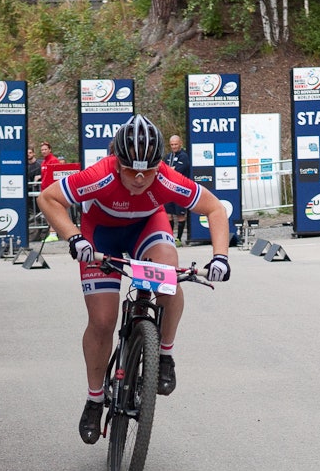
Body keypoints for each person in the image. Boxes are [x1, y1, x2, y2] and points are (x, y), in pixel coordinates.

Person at [37, 113, 230, 444]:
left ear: (158, 165)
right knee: (102, 320)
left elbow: (215, 208)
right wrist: (73, 237)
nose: (140, 178)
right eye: (131, 170)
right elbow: (48, 198)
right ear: (117, 162)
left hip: (146, 228)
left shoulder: (166, 177)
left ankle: (164, 355)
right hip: (101, 236)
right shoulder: (99, 174)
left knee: (169, 279)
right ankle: (95, 399)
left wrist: (221, 256)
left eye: (148, 171)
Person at [164, 134, 191, 245]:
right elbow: (164, 170)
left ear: (180, 144)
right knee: (168, 214)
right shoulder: (167, 156)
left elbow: (178, 171)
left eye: (175, 144)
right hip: (168, 190)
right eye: (172, 145)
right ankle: (170, 237)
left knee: (180, 215)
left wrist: (171, 169)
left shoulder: (184, 156)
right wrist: (171, 169)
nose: (174, 146)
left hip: (180, 190)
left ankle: (178, 239)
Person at [39, 141, 64, 242]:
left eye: (45, 149)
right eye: (42, 150)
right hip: (44, 190)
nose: (44, 151)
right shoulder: (43, 162)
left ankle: (53, 233)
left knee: (52, 212)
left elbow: (56, 176)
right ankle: (52, 233)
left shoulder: (54, 160)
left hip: (52, 191)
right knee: (47, 212)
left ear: (50, 150)